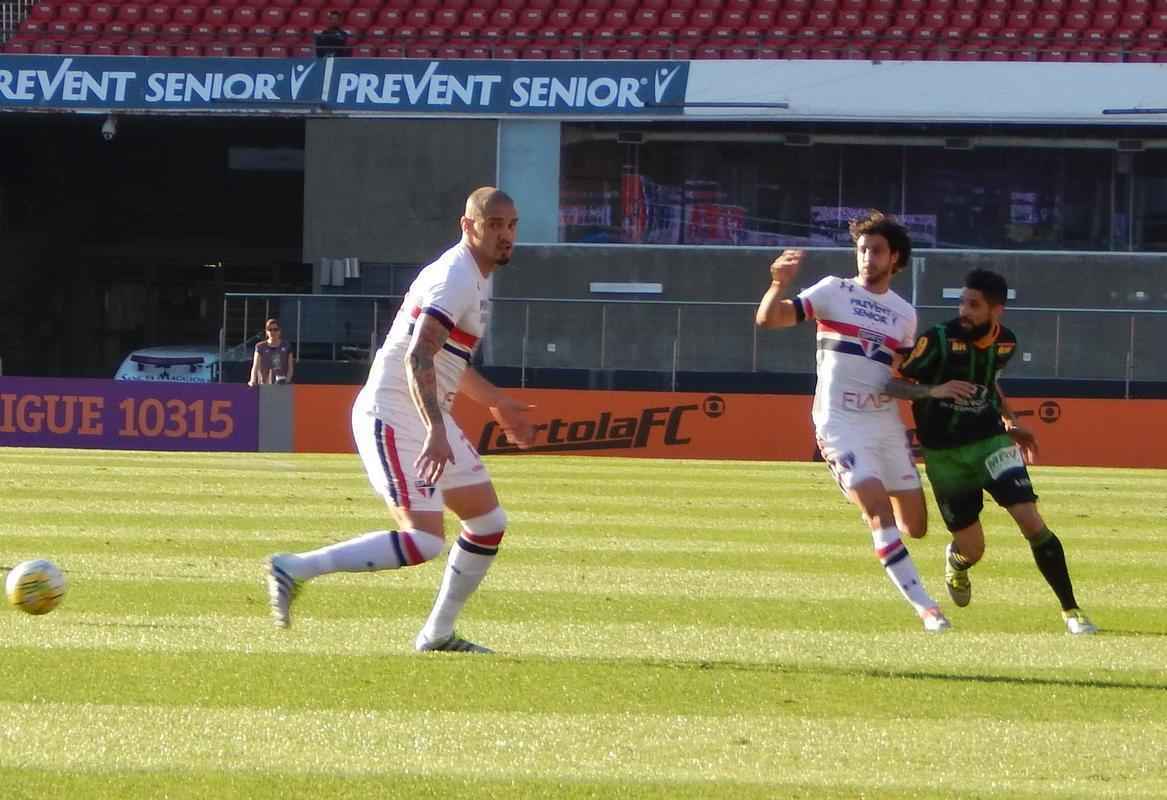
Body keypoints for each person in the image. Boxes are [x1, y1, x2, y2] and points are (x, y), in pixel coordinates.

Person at [266, 187, 534, 653]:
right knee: (424, 540)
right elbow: (419, 356)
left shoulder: (474, 273)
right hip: (392, 413)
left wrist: (496, 401)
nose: (505, 235)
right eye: (493, 225)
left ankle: (437, 635)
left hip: (422, 413)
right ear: (467, 226)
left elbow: (448, 358)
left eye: (511, 226)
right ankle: (294, 567)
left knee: (488, 521)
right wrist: (435, 429)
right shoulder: (455, 278)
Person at [755, 211, 972, 633]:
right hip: (839, 423)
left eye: (876, 251)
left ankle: (887, 520)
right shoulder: (833, 291)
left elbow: (898, 379)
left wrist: (935, 389)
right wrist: (778, 284)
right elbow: (769, 319)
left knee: (917, 526)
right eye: (862, 250)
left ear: (895, 259)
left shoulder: (904, 314)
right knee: (878, 513)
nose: (867, 258)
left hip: (884, 424)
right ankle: (927, 608)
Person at [889, 268, 1098, 635]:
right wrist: (934, 391)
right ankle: (957, 562)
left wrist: (1010, 422)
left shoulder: (1006, 343)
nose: (964, 311)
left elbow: (990, 384)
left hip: (991, 444)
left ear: (996, 309)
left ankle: (1072, 611)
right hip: (945, 456)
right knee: (973, 548)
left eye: (974, 305)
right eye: (962, 303)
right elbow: (895, 383)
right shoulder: (938, 339)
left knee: (1031, 521)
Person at [248, 318, 294, 386]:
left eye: (275, 329)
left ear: (280, 331)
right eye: (270, 330)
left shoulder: (286, 346)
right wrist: (252, 380)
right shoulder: (260, 346)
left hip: (281, 385)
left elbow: (290, 368)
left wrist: (287, 381)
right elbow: (255, 366)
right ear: (266, 332)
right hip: (264, 385)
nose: (272, 332)